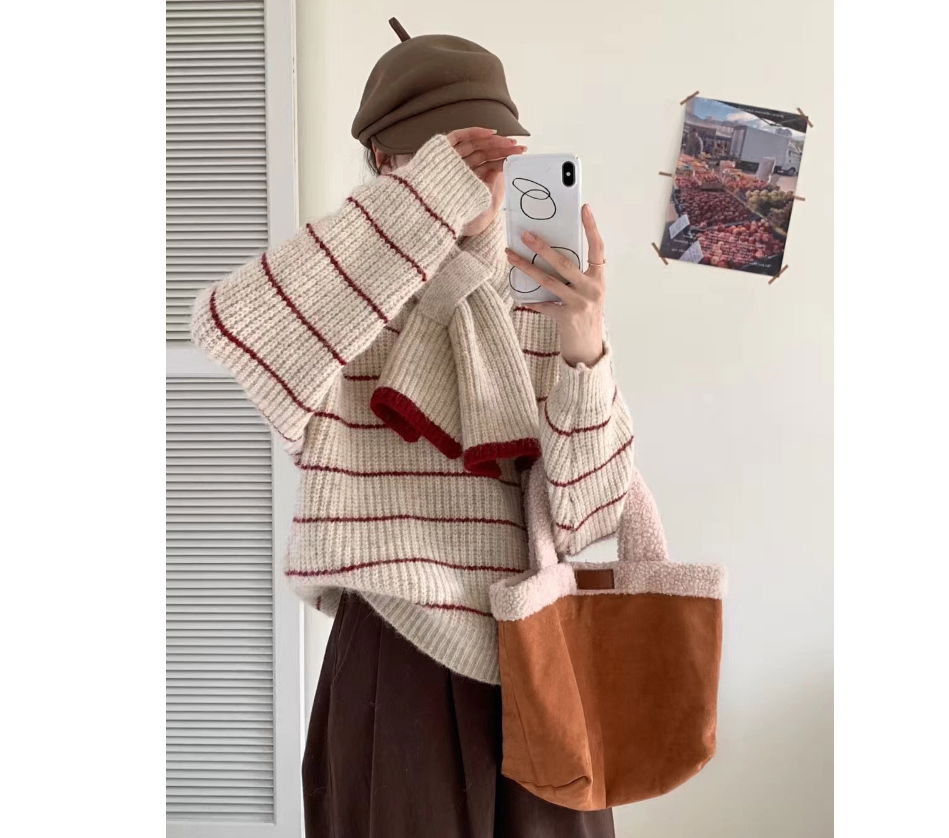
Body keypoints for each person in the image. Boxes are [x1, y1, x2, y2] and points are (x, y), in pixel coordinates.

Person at [189, 18, 635, 838]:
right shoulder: (341, 300)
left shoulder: (543, 295)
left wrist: (585, 342)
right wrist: (419, 210)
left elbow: (591, 514)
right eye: (449, 158)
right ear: (389, 166)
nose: (478, 181)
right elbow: (230, 324)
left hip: (542, 647)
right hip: (396, 651)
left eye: (493, 156)